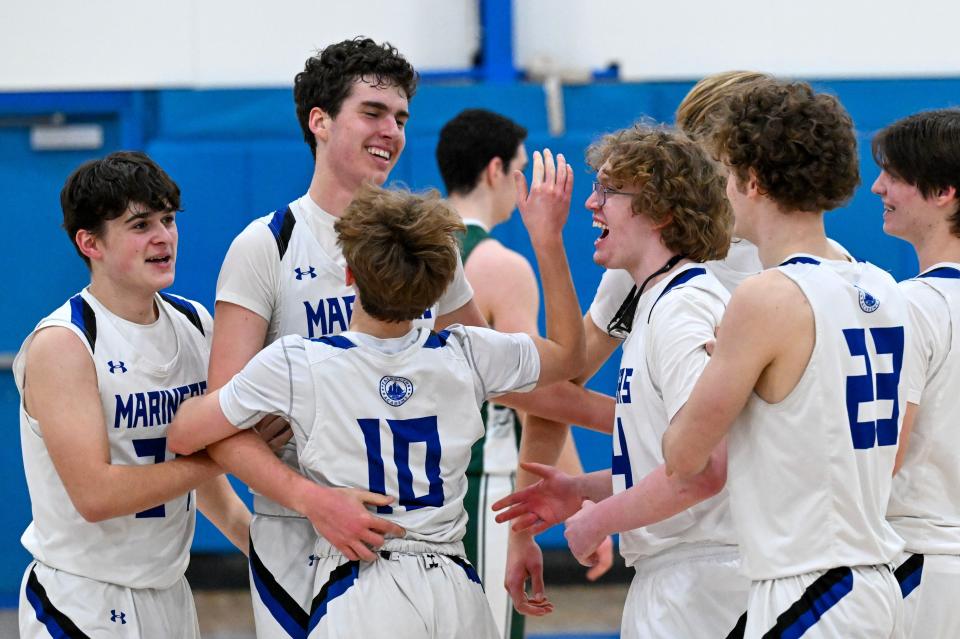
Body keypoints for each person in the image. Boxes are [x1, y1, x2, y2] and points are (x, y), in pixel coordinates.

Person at [168, 149, 585, 638]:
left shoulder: (298, 362)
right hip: (454, 585)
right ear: (438, 287)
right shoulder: (469, 352)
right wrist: (550, 240)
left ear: (348, 275)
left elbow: (184, 434)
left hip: (362, 583)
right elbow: (570, 356)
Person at [206, 37, 487, 638]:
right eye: (373, 112)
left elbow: (480, 369)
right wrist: (309, 499)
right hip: (299, 534)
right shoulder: (267, 244)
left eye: (401, 117)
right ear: (320, 121)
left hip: (417, 540)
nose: (392, 130)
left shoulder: (427, 240)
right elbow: (215, 427)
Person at [658, 80, 907, 637]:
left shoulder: (766, 297)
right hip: (874, 580)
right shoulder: (885, 285)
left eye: (724, 171)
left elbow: (684, 453)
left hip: (809, 586)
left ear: (750, 180)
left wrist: (715, 369)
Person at [496, 124, 752, 637]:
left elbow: (706, 470)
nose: (592, 202)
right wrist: (583, 490)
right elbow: (672, 460)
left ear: (661, 210)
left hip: (704, 584)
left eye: (610, 190)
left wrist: (601, 518)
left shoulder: (684, 309)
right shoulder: (657, 301)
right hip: (683, 578)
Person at [14, 152, 250, 638]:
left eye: (167, 219)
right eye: (140, 224)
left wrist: (265, 550)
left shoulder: (193, 324)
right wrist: (225, 457)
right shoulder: (65, 343)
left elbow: (196, 473)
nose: (163, 236)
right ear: (90, 243)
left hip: (167, 591)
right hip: (83, 599)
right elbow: (95, 495)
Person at [436, 108, 611, 637]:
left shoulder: (401, 250)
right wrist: (579, 493)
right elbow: (539, 392)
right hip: (478, 488)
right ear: (495, 171)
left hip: (401, 486)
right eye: (517, 168)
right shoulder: (498, 265)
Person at [873, 108, 960, 637]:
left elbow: (885, 453)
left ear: (944, 190)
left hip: (922, 565)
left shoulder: (911, 305)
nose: (879, 186)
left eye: (896, 176)